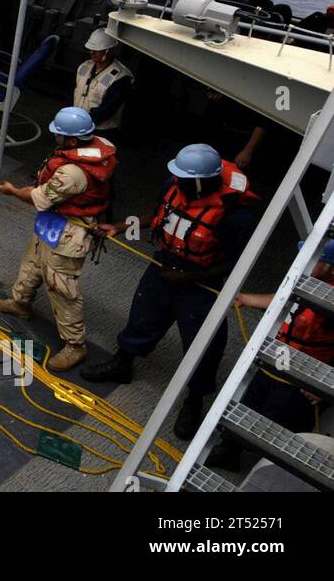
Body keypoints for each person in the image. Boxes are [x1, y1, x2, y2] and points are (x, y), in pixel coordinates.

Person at [82, 144, 259, 439]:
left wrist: (187, 277)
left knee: (204, 342)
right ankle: (123, 363)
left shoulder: (236, 218)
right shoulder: (173, 185)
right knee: (142, 314)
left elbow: (235, 265)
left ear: (203, 182)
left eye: (185, 179)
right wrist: (121, 226)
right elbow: (158, 216)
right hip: (165, 265)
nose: (178, 182)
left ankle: (195, 398)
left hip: (202, 282)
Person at [0, 107, 118, 372]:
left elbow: (39, 199)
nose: (55, 138)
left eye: (59, 135)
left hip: (71, 231)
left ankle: (74, 345)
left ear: (71, 141)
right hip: (53, 222)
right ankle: (20, 302)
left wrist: (13, 191)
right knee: (33, 262)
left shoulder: (72, 174)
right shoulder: (98, 145)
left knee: (61, 287)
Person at [206, 238, 334, 470]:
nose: (303, 262)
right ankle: (229, 449)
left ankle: (266, 466)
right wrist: (249, 299)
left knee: (277, 423)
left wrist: (326, 386)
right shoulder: (306, 277)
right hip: (271, 361)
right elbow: (285, 301)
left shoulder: (329, 301)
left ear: (330, 267)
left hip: (301, 379)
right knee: (246, 403)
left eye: (313, 260)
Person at [73, 29, 133, 138]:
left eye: (97, 50)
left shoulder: (120, 78)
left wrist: (81, 122)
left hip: (101, 131)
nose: (92, 52)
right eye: (91, 48)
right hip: (78, 123)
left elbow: (107, 110)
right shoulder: (84, 67)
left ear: (109, 50)